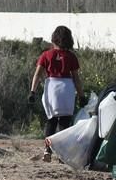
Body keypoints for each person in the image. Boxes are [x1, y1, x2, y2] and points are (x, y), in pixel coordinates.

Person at [29, 25, 85, 162]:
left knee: (51, 121)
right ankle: (62, 154)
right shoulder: (71, 57)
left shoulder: (46, 55)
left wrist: (32, 91)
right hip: (67, 89)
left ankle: (47, 150)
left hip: (52, 88)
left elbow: (37, 75)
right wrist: (81, 95)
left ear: (54, 38)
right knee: (65, 123)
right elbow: (76, 78)